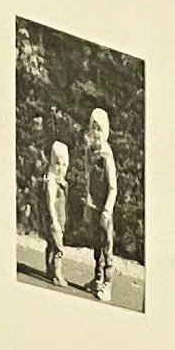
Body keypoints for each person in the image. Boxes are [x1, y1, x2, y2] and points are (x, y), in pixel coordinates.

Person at [77, 106, 120, 300]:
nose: (96, 133)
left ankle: (108, 283)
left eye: (99, 129)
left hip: (105, 208)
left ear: (106, 131)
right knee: (96, 244)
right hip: (94, 205)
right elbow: (88, 177)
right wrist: (88, 203)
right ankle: (97, 278)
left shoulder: (106, 157)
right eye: (93, 128)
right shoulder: (90, 152)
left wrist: (107, 210)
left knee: (106, 245)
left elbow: (113, 187)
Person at [37, 123, 71, 283]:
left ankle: (49, 270)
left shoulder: (61, 181)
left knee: (52, 245)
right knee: (58, 248)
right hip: (55, 220)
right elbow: (51, 202)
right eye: (57, 163)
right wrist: (55, 221)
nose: (61, 168)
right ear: (51, 162)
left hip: (60, 219)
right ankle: (57, 273)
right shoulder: (51, 181)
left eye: (64, 164)